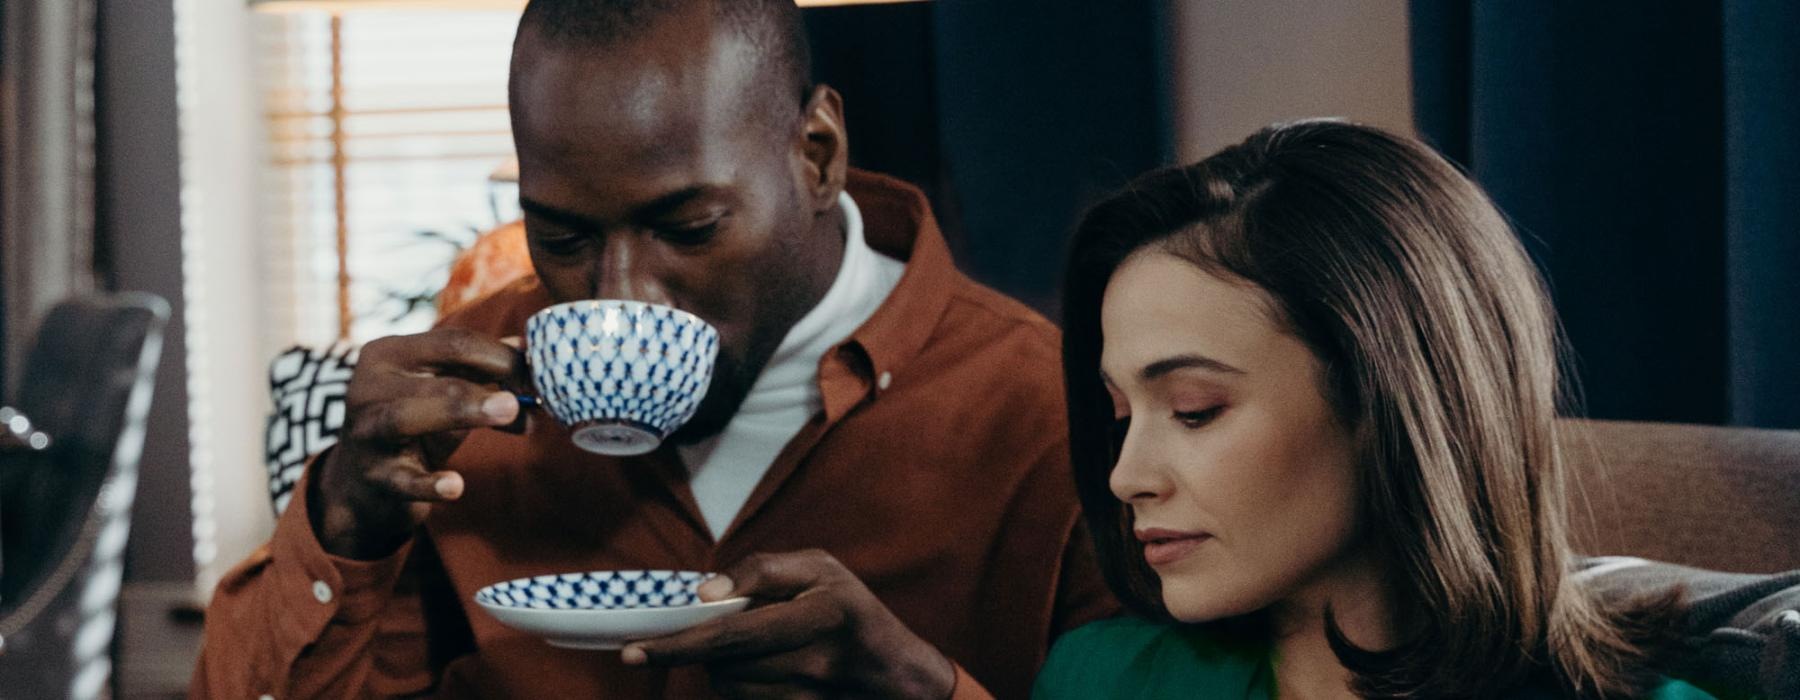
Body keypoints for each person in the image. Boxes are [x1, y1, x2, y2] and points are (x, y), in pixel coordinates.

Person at [191, 1, 1115, 697]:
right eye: (562, 239)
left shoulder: (1048, 417)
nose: (619, 294)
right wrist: (342, 522)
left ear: (820, 154)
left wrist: (927, 688)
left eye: (689, 226)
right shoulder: (461, 404)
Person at [1035, 121, 1714, 699]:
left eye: (1194, 410)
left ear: (1390, 398)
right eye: (1122, 414)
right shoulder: (1101, 678)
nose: (1126, 477)